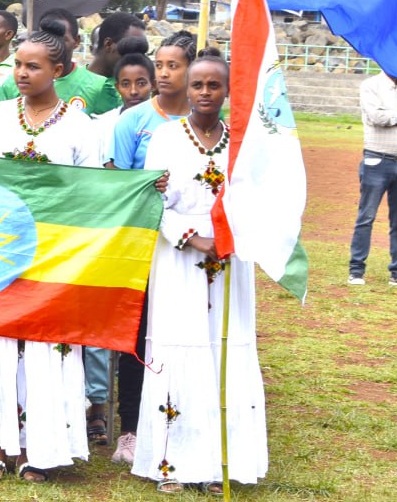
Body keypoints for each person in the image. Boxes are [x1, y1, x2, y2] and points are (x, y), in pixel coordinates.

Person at [0, 19, 97, 482]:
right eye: (18, 64)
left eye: (33, 66)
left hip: (53, 249)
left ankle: (39, 449)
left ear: (59, 69)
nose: (21, 72)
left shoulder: (81, 125)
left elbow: (91, 194)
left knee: (44, 345)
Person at [133, 54, 267, 493]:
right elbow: (153, 201)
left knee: (222, 349)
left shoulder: (242, 141)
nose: (205, 93)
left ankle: (218, 463)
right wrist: (193, 237)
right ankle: (172, 463)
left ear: (228, 90)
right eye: (198, 85)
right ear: (185, 90)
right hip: (179, 256)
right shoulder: (167, 137)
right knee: (180, 347)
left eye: (214, 85)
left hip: (231, 258)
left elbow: (254, 198)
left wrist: (232, 237)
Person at [107, 30, 196, 466]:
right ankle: (130, 429)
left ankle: (186, 422)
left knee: (185, 333)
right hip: (143, 244)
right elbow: (114, 183)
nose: (162, 73)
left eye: (172, 66)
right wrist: (145, 185)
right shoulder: (134, 121)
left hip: (191, 249)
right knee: (138, 335)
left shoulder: (208, 120)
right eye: (159, 65)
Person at [85, 37, 153, 445]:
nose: (133, 91)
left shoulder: (158, 121)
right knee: (101, 319)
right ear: (116, 85)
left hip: (147, 233)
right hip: (111, 230)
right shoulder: (103, 124)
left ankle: (137, 413)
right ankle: (96, 404)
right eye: (125, 84)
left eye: (141, 83)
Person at [347, 72, 397, 287]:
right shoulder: (371, 85)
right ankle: (356, 270)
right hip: (376, 159)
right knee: (366, 216)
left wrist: (395, 117)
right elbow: (375, 117)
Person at [0, 8, 106, 113]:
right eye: (44, 38)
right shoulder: (14, 83)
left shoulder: (98, 86)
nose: (50, 45)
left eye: (61, 39)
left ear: (76, 41)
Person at [82, 12, 147, 116]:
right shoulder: (69, 82)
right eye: (130, 48)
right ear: (108, 44)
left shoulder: (141, 87)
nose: (137, 58)